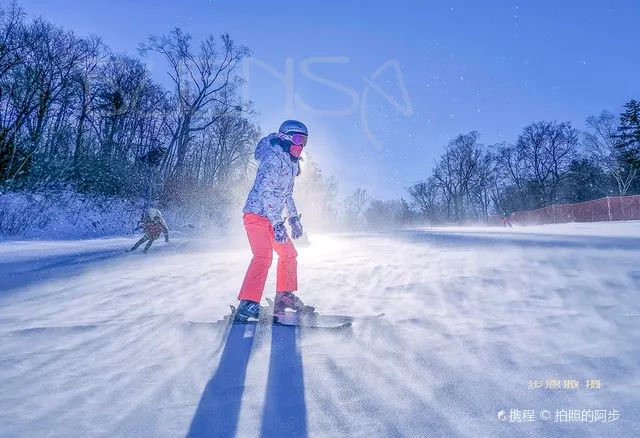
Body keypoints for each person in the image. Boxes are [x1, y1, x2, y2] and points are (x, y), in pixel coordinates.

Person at [234, 120, 312, 322]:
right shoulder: (272, 159)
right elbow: (265, 192)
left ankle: (284, 297)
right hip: (256, 215)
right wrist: (278, 223)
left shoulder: (291, 165)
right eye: (297, 139)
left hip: (271, 219)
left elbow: (287, 195)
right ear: (285, 138)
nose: (300, 145)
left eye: (304, 141)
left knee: (289, 254)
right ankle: (247, 304)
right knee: (263, 256)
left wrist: (293, 219)